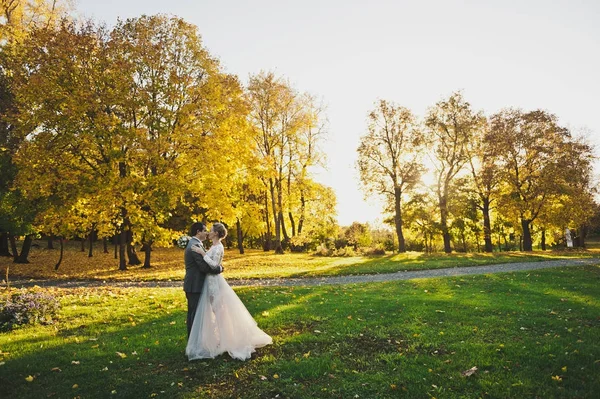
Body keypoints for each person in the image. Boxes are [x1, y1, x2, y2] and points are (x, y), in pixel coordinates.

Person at [186, 223, 272, 361]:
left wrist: (203, 253)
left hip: (214, 282)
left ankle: (228, 340)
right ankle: (214, 339)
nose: (209, 232)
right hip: (208, 281)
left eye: (211, 230)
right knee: (212, 311)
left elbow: (214, 265)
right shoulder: (213, 246)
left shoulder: (219, 247)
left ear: (216, 233)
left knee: (219, 312)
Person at [184, 222, 223, 338]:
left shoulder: (197, 244)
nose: (207, 233)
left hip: (196, 284)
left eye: (208, 230)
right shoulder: (194, 246)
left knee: (195, 314)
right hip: (194, 285)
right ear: (198, 232)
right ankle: (193, 342)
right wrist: (219, 268)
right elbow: (204, 267)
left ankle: (195, 341)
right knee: (195, 315)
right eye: (205, 230)